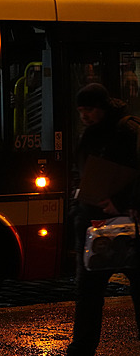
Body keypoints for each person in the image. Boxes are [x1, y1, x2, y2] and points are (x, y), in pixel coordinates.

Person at [67, 83, 140, 355]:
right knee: (87, 291)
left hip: (124, 221)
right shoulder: (92, 134)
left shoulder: (127, 129)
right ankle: (82, 347)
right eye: (81, 111)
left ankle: (82, 347)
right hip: (93, 220)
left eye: (89, 110)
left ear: (103, 107)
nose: (85, 116)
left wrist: (122, 202)